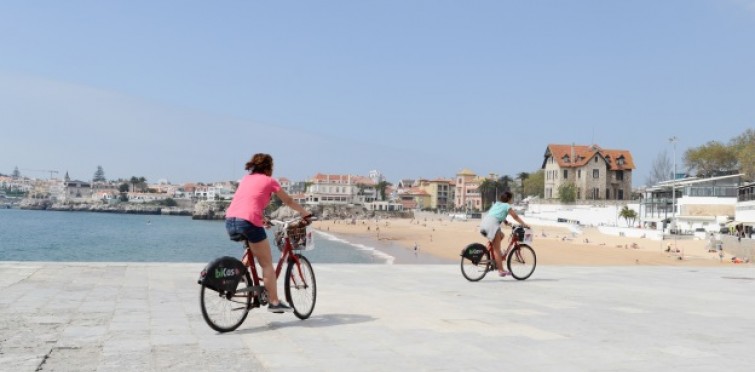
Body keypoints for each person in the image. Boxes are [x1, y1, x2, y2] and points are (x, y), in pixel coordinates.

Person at [224, 153, 311, 314]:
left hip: (230, 221)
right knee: (266, 264)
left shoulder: (245, 179)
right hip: (248, 221)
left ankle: (233, 284)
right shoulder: (269, 181)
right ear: (267, 168)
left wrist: (262, 218)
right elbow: (289, 201)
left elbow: (249, 201)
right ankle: (274, 301)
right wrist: (305, 213)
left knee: (250, 253)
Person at [479, 191, 529, 277]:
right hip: (493, 225)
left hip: (484, 223)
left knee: (501, 235)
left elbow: (496, 214)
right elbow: (515, 216)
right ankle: (501, 270)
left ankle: (487, 251)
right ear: (509, 199)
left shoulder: (497, 204)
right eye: (511, 198)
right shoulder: (507, 206)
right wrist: (524, 224)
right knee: (497, 250)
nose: (512, 200)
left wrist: (506, 222)